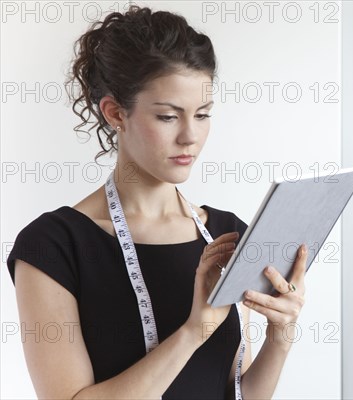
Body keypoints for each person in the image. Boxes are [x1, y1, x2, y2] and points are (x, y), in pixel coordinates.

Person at [5, 5, 307, 399]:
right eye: (168, 117)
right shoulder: (54, 247)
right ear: (116, 112)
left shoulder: (227, 234)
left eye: (202, 114)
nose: (190, 137)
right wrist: (192, 332)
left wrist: (281, 336)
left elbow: (241, 392)